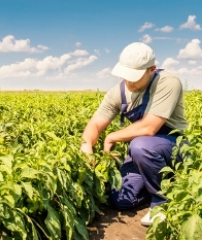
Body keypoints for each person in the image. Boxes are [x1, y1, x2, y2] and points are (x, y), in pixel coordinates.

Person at [80, 42, 188, 226]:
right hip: (145, 153)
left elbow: (149, 127)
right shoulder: (119, 93)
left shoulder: (167, 81)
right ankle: (164, 182)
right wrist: (86, 145)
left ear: (151, 69)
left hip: (174, 147)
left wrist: (111, 137)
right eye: (125, 76)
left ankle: (162, 204)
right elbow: (95, 125)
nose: (129, 82)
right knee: (122, 199)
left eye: (134, 77)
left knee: (140, 145)